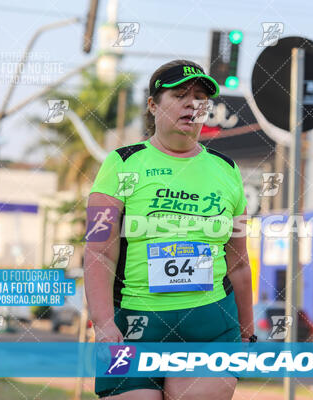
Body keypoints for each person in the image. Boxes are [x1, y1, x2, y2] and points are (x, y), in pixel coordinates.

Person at [85, 59, 255, 399]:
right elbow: (99, 251)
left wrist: (247, 332)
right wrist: (103, 324)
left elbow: (238, 261)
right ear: (152, 105)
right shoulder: (122, 162)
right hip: (134, 322)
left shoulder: (226, 169)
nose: (192, 104)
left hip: (209, 324)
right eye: (180, 95)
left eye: (200, 98)